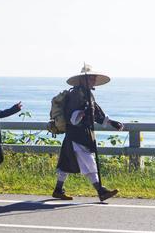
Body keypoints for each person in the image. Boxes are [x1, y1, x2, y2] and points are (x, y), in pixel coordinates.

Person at [53, 64, 124, 201]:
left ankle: (58, 190)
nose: (93, 81)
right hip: (77, 134)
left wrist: (112, 122)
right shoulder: (75, 95)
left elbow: (97, 113)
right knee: (88, 162)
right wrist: (82, 113)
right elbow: (72, 118)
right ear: (82, 80)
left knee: (66, 163)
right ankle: (100, 191)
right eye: (91, 78)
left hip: (83, 134)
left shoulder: (88, 94)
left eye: (94, 79)